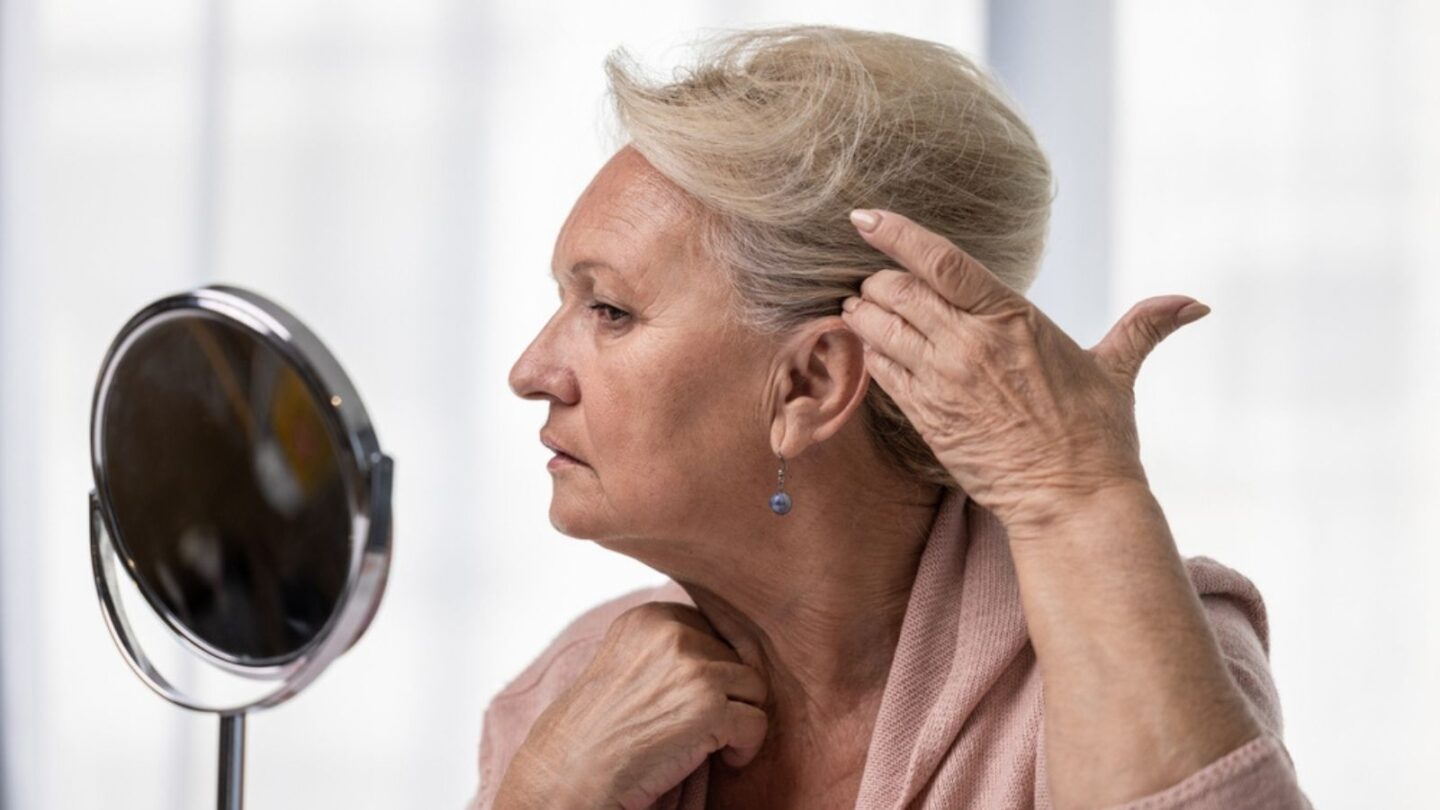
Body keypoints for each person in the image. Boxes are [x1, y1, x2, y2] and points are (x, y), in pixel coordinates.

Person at [470, 24, 1309, 809]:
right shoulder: (576, 699)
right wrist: (545, 791)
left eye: (609, 310)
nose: (531, 373)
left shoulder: (1131, 643)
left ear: (810, 384)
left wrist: (1083, 497)